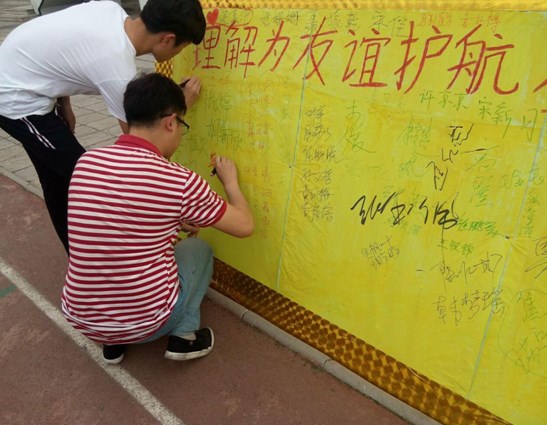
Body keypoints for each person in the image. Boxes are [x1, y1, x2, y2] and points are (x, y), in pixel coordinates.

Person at [61, 72, 254, 363]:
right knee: (199, 250)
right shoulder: (179, 181)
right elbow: (244, 225)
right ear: (171, 122)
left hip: (82, 319)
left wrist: (172, 219)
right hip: (147, 322)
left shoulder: (87, 162)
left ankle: (112, 343)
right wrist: (230, 183)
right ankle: (184, 337)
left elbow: (120, 216)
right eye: (182, 126)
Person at [0, 0, 206, 252]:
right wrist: (181, 106)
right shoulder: (116, 68)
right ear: (167, 39)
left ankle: (80, 256)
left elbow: (59, 44)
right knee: (86, 177)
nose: (182, 52)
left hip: (21, 70)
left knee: (57, 178)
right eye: (183, 46)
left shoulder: (110, 10)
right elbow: (144, 149)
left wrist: (64, 102)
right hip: (15, 99)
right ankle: (98, 257)